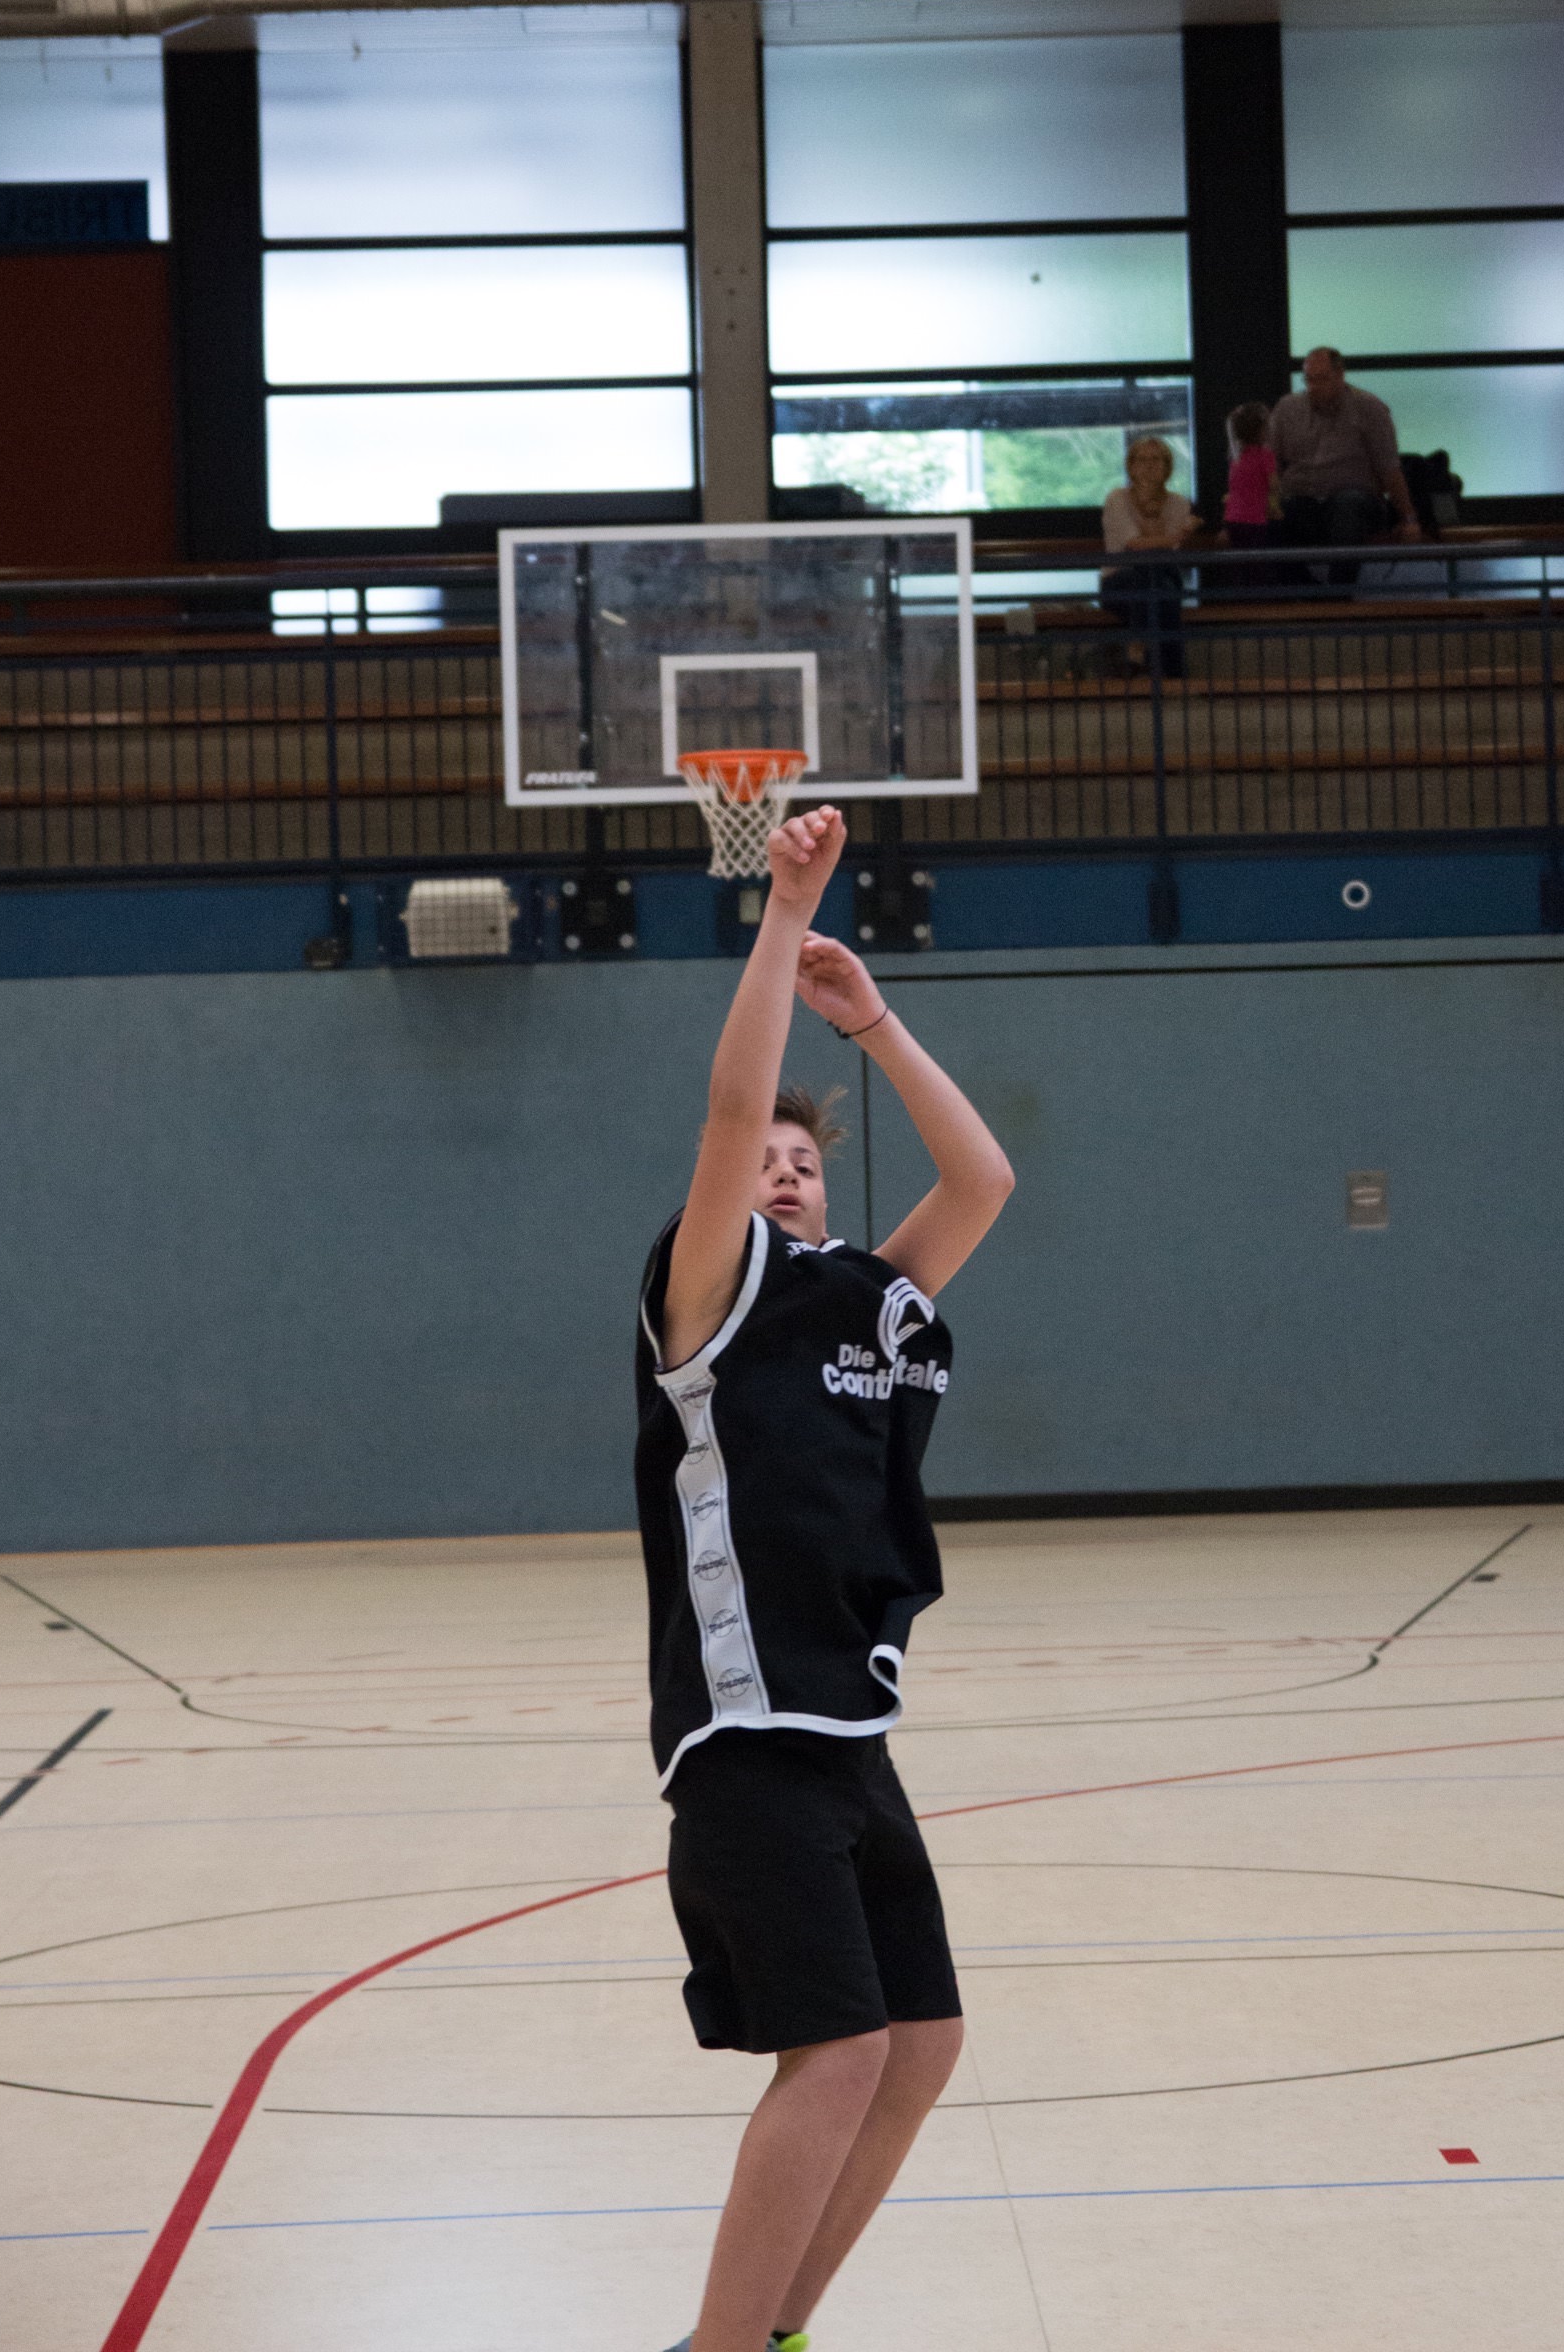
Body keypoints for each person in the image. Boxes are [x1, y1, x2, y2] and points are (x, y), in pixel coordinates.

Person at [638, 803, 1014, 2352]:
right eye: (767, 1163)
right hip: (745, 1736)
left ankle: (776, 2334)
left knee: (920, 2042)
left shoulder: (873, 1295)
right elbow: (732, 1109)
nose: (783, 1172)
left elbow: (984, 1179)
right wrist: (786, 917)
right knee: (843, 2050)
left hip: (851, 1737)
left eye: (806, 1163)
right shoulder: (706, 1297)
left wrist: (874, 1021)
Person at [1268, 346, 1423, 586]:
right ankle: (1308, 591)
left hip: (1357, 501)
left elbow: (1389, 468)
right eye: (1309, 379)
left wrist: (1408, 518)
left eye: (1321, 379)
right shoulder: (1287, 409)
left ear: (1340, 375)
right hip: (1304, 498)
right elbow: (1269, 464)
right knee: (1277, 516)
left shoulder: (1369, 408)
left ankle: (1338, 593)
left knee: (1347, 505)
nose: (1313, 387)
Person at [1100, 432, 1199, 674]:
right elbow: (1135, 545)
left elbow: (1162, 552)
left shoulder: (1178, 503)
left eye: (1156, 460)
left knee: (1155, 577)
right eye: (1142, 460)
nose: (1149, 466)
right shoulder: (1117, 498)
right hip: (1120, 579)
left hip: (1160, 576)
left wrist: (1156, 519)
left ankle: (1138, 648)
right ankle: (1174, 677)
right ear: (1131, 466)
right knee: (1163, 594)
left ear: (1167, 467)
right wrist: (1177, 535)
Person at [1222, 399, 1278, 585]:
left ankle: (1240, 594)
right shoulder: (1265, 455)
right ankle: (1258, 596)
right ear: (1262, 431)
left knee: (1239, 564)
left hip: (1233, 519)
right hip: (1255, 520)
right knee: (1257, 564)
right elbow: (1273, 484)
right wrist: (1275, 503)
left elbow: (1233, 491)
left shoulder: (1235, 457)